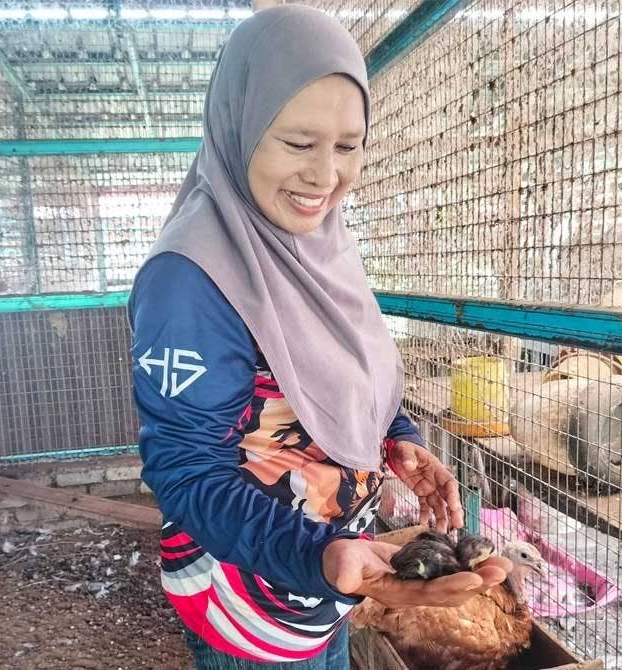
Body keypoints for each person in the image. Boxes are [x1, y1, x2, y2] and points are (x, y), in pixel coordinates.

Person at [128, 6, 510, 668]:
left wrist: (400, 439)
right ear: (238, 127)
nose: (325, 176)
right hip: (250, 607)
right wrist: (314, 554)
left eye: (348, 146)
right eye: (298, 144)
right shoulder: (191, 279)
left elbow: (346, 366)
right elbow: (186, 472)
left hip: (329, 582)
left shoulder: (316, 241)